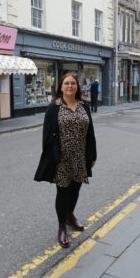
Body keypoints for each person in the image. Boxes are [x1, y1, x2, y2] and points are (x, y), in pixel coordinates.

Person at [34, 73, 97, 248]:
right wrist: (52, 158)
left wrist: (92, 155)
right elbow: (46, 136)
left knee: (75, 189)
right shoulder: (54, 107)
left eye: (73, 83)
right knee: (63, 192)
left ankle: (70, 216)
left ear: (77, 86)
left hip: (80, 156)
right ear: (61, 87)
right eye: (67, 83)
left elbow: (90, 132)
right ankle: (62, 226)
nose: (70, 86)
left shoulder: (84, 106)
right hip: (61, 158)